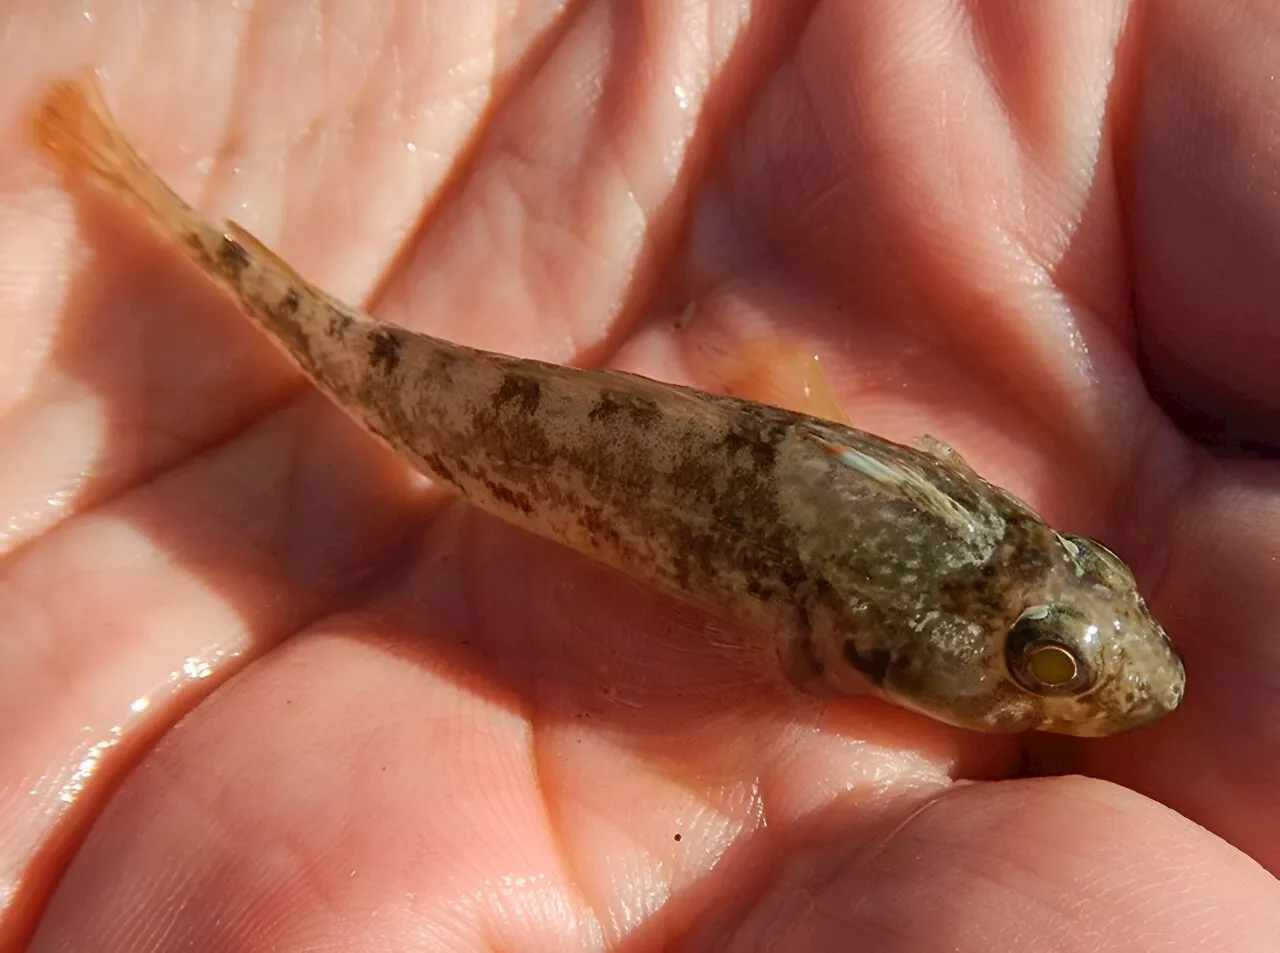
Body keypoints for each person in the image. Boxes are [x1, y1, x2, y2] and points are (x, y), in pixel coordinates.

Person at [3, 3, 1278, 949]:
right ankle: (133, 187)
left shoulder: (916, 534)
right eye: (1043, 665)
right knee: (377, 375)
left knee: (375, 365)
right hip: (542, 431)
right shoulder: (837, 610)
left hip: (689, 447)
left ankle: (140, 189)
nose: (1103, 678)